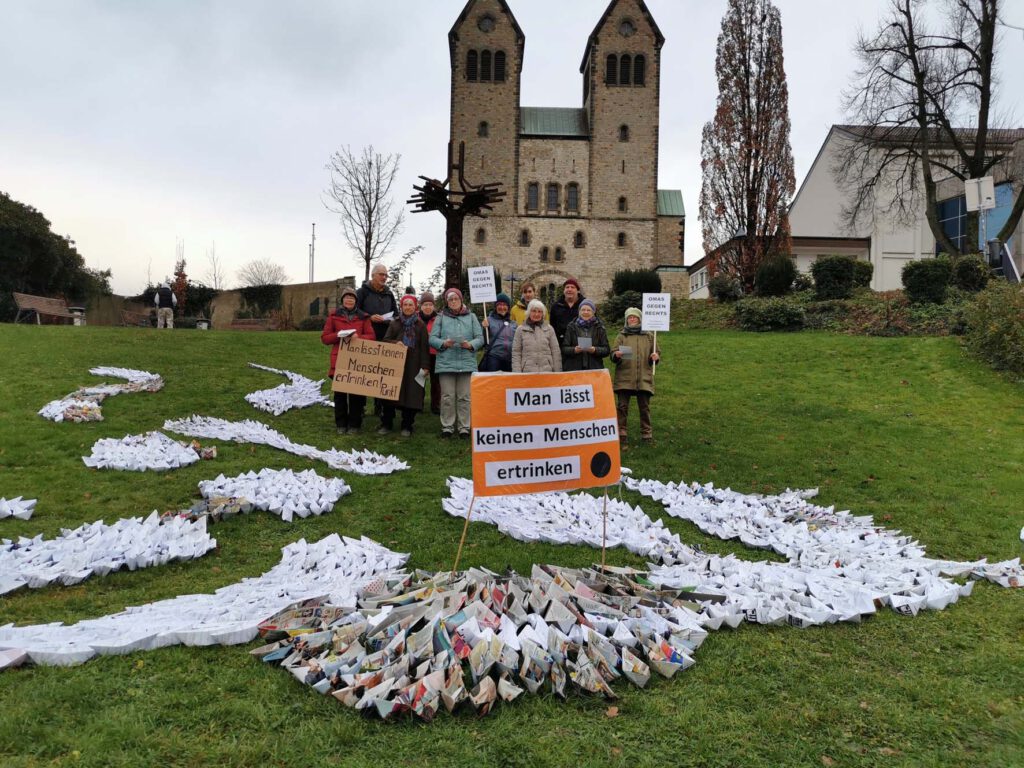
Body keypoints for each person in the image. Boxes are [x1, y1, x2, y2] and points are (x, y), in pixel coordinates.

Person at [429, 287, 484, 438]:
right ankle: (447, 427)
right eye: (450, 299)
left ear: (461, 300)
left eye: (456, 299)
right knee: (447, 396)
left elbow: (480, 338)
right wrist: (444, 343)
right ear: (447, 302)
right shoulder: (440, 317)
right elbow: (432, 339)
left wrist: (471, 344)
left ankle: (464, 427)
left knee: (464, 397)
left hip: (466, 362)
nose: (454, 302)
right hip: (446, 362)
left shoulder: (471, 317)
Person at [321, 287, 375, 434]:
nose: (349, 299)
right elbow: (325, 338)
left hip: (358, 361)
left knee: (356, 395)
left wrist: (359, 337)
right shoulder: (333, 316)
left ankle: (354, 425)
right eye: (347, 297)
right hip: (339, 359)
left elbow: (372, 336)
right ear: (342, 300)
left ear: (356, 300)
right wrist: (338, 335)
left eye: (352, 297)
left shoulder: (364, 317)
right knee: (340, 395)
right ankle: (341, 424)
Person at [379, 295, 431, 437]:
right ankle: (387, 423)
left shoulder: (420, 325)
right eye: (405, 304)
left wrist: (425, 366)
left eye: (411, 304)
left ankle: (407, 425)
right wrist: (396, 343)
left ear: (415, 307)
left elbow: (424, 348)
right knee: (390, 394)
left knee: (412, 394)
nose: (408, 307)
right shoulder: (394, 323)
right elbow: (385, 340)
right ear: (401, 306)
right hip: (395, 364)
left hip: (414, 364)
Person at [611, 307, 661, 444]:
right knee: (622, 407)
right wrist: (616, 355)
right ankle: (621, 433)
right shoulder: (621, 335)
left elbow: (656, 355)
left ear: (640, 319)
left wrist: (655, 357)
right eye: (629, 317)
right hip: (625, 376)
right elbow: (613, 353)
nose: (632, 319)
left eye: (635, 317)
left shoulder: (650, 336)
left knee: (644, 407)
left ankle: (647, 434)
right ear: (626, 320)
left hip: (644, 376)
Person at [356, 263, 398, 416]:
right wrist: (369, 317)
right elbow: (355, 310)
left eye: (386, 275)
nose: (384, 277)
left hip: (385, 337)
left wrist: (390, 320)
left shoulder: (389, 294)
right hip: (366, 339)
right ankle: (359, 407)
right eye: (381, 274)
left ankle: (379, 406)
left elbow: (396, 313)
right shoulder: (361, 292)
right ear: (373, 275)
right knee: (363, 373)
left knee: (381, 373)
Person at [512, 299, 562, 373]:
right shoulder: (520, 329)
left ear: (543, 314)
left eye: (539, 312)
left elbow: (555, 352)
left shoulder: (549, 329)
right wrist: (517, 374)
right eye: (534, 311)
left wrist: (558, 373)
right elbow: (516, 353)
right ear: (529, 312)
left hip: (547, 372)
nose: (536, 314)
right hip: (527, 373)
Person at [561, 299, 609, 371]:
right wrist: (574, 350)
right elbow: (564, 348)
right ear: (579, 311)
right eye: (583, 310)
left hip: (594, 368)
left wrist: (595, 350)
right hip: (574, 368)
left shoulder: (600, 327)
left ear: (593, 312)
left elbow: (606, 350)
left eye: (588, 310)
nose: (585, 312)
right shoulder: (571, 326)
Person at [478, 293, 516, 372]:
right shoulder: (488, 320)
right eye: (499, 304)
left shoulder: (514, 324)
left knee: (508, 383)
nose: (502, 307)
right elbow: (484, 341)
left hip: (510, 358)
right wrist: (485, 328)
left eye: (504, 305)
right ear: (495, 307)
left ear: (508, 307)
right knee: (494, 382)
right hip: (494, 358)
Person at [418, 291, 441, 415]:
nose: (428, 307)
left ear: (434, 306)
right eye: (425, 304)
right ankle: (418, 404)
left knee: (436, 382)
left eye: (430, 305)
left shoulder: (439, 319)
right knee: (420, 379)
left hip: (435, 353)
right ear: (421, 306)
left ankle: (436, 405)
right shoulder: (416, 318)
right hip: (420, 354)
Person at [550, 278, 583, 345]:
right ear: (564, 290)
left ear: (577, 290)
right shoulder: (556, 306)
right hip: (561, 343)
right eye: (567, 287)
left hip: (580, 343)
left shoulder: (584, 305)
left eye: (572, 287)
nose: (569, 289)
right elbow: (552, 326)